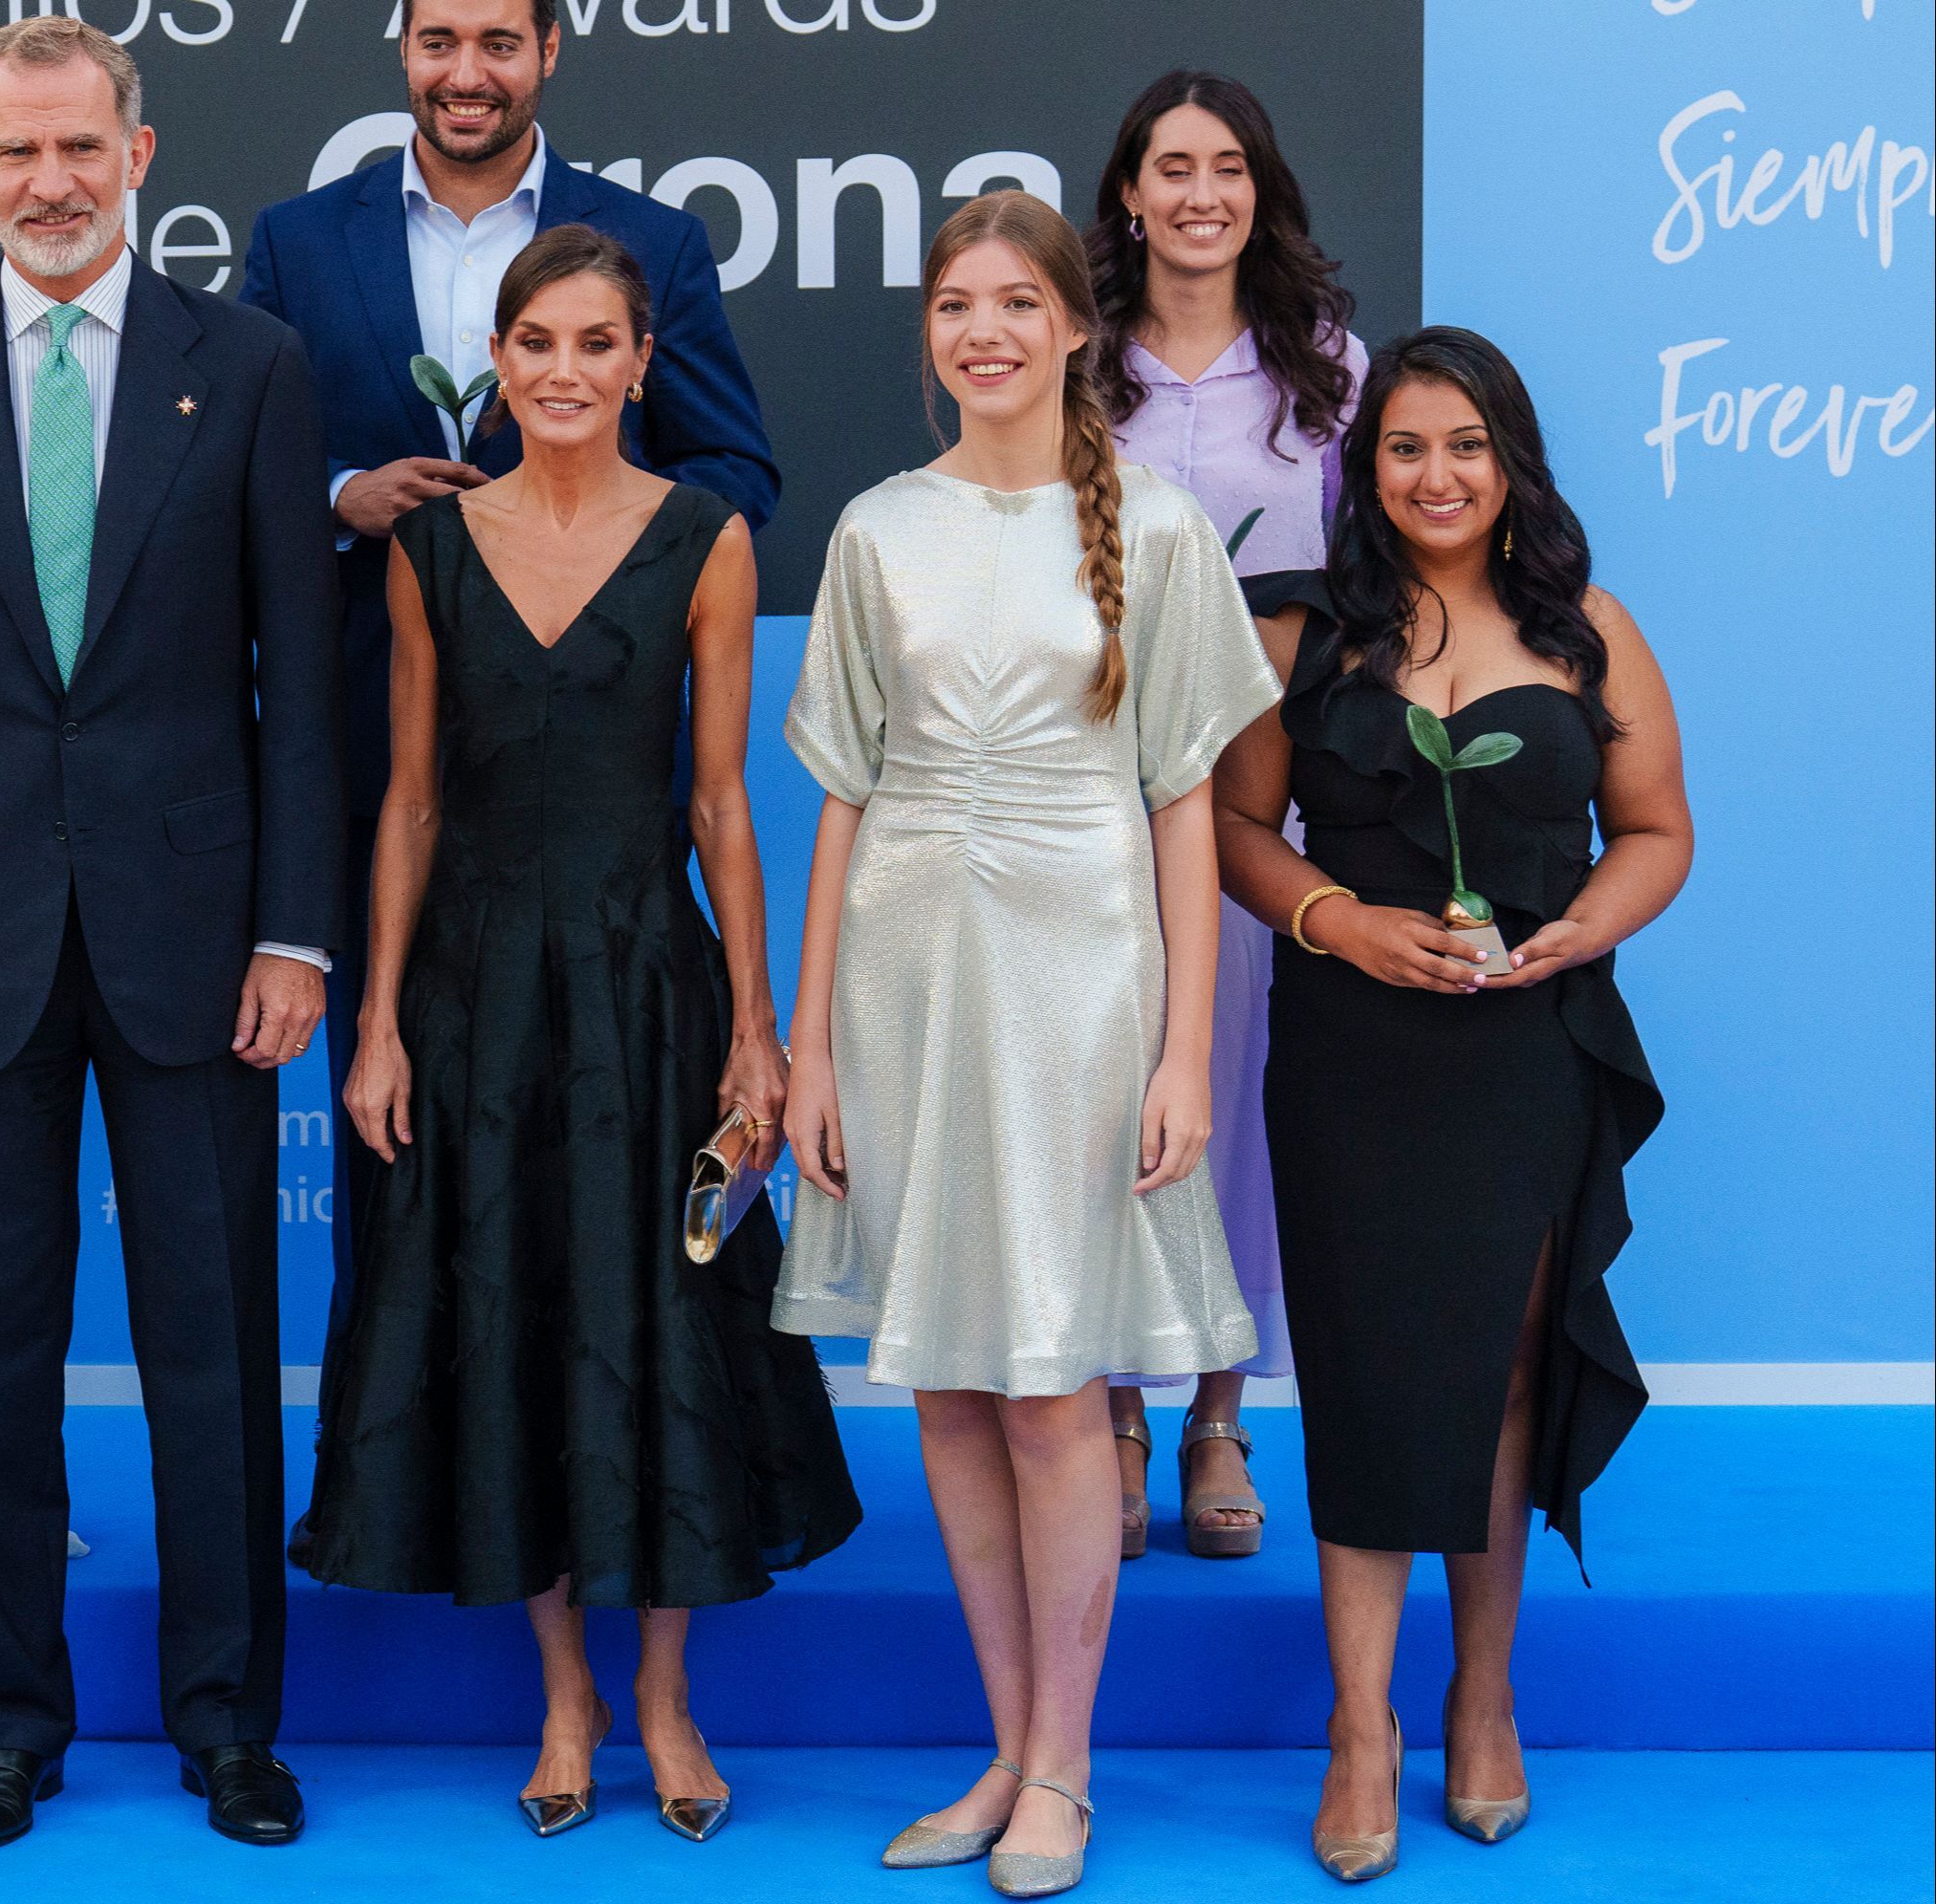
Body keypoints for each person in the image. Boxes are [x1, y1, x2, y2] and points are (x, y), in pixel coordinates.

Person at [0, 16, 344, 1853]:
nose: (50, 183)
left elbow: (305, 685)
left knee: (215, 1347)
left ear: (141, 151)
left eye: (81, 149)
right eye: (15, 154)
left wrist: (298, 931)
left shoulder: (253, 367)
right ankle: (9, 1721)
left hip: (200, 934)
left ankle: (228, 1724)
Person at [301, 226, 860, 1846]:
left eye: (596, 344)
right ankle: (566, 1699)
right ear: (502, 359)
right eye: (534, 342)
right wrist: (381, 1020)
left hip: (642, 988)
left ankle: (669, 1699)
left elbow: (717, 806)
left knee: (662, 1327)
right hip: (472, 995)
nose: (562, 372)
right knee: (515, 1323)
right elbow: (406, 801)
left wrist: (755, 1033)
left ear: (638, 364)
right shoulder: (431, 550)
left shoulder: (708, 538)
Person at [773, 190, 1280, 1899]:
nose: (979, 328)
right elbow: (841, 798)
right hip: (903, 980)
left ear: (1076, 324)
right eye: (950, 303)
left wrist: (1185, 1051)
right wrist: (810, 1049)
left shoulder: (1161, 526)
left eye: (1013, 301)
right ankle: (1006, 1752)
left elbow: (1190, 815)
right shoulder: (873, 533)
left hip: (1084, 983)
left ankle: (1068, 1767)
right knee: (957, 1393)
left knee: (1060, 1387)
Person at [240, 0, 777, 1492]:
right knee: (405, 1156)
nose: (464, 73)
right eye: (437, 41)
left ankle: (627, 1492)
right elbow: (233, 475)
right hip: (385, 764)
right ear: (400, 52)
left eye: (497, 41)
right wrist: (351, 495)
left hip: (601, 797)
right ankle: (407, 1484)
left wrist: (566, 501)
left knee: (616, 1191)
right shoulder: (297, 240)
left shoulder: (649, 243)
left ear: (550, 51)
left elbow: (737, 471)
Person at [1219, 328, 1684, 1881]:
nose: (1436, 475)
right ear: (1367, 470)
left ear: (1511, 466)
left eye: (1465, 447)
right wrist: (1341, 922)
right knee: (1359, 1377)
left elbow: (1657, 829)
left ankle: (1484, 1694)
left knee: (1494, 1376)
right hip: (1352, 1056)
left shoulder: (1588, 634)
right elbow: (1232, 824)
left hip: (1527, 1050)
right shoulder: (1308, 636)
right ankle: (1365, 1725)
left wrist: (1583, 929)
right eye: (1405, 447)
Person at [1085, 69, 1372, 1561]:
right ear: (1127, 193)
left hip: (1254, 799)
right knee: (1098, 1100)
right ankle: (1113, 1412)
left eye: (1228, 168)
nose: (1201, 194)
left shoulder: (1326, 364)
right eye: (1170, 167)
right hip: (1080, 790)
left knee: (1231, 1097)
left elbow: (1364, 581)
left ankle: (1213, 1411)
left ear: (1260, 191)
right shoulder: (1078, 362)